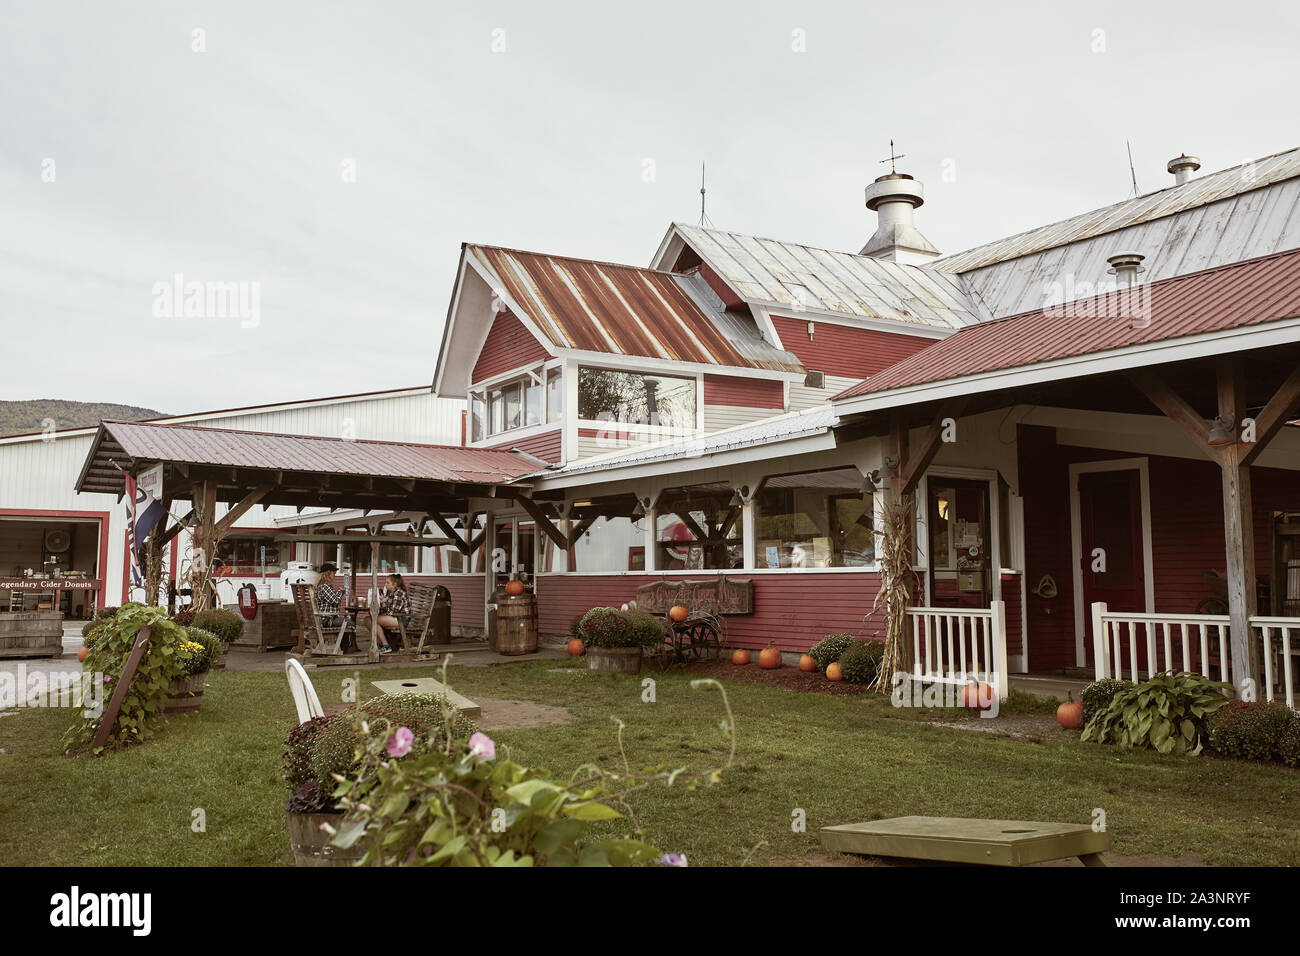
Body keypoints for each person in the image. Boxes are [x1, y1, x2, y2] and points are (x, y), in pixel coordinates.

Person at [375, 573, 408, 653]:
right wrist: (384, 602)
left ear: (395, 584)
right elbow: (388, 609)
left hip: (401, 619)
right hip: (394, 618)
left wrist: (384, 603)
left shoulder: (399, 593)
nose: (385, 584)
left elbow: (393, 611)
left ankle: (386, 645)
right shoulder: (391, 593)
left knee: (374, 619)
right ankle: (379, 644)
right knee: (367, 620)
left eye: (387, 583)